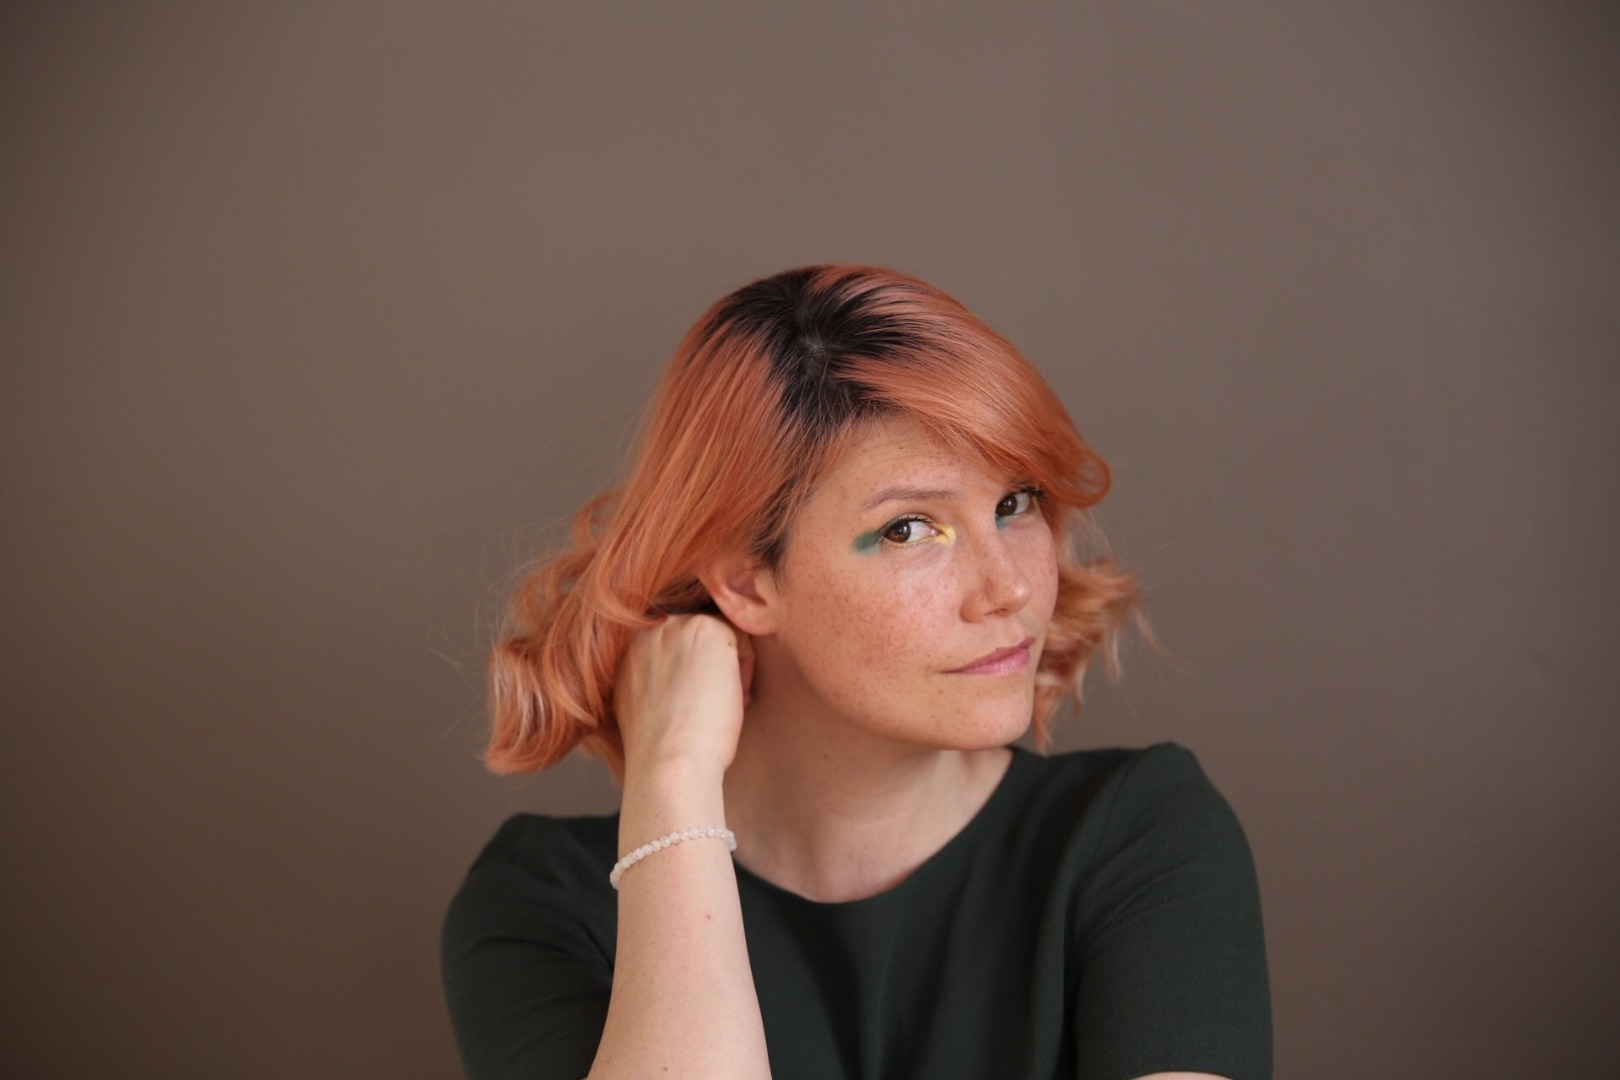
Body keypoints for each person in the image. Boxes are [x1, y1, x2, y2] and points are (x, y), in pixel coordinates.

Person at [442, 265, 1271, 1080]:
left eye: (1014, 504)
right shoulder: (545, 906)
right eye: (909, 529)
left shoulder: (1140, 836)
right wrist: (674, 774)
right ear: (746, 584)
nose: (1010, 587)